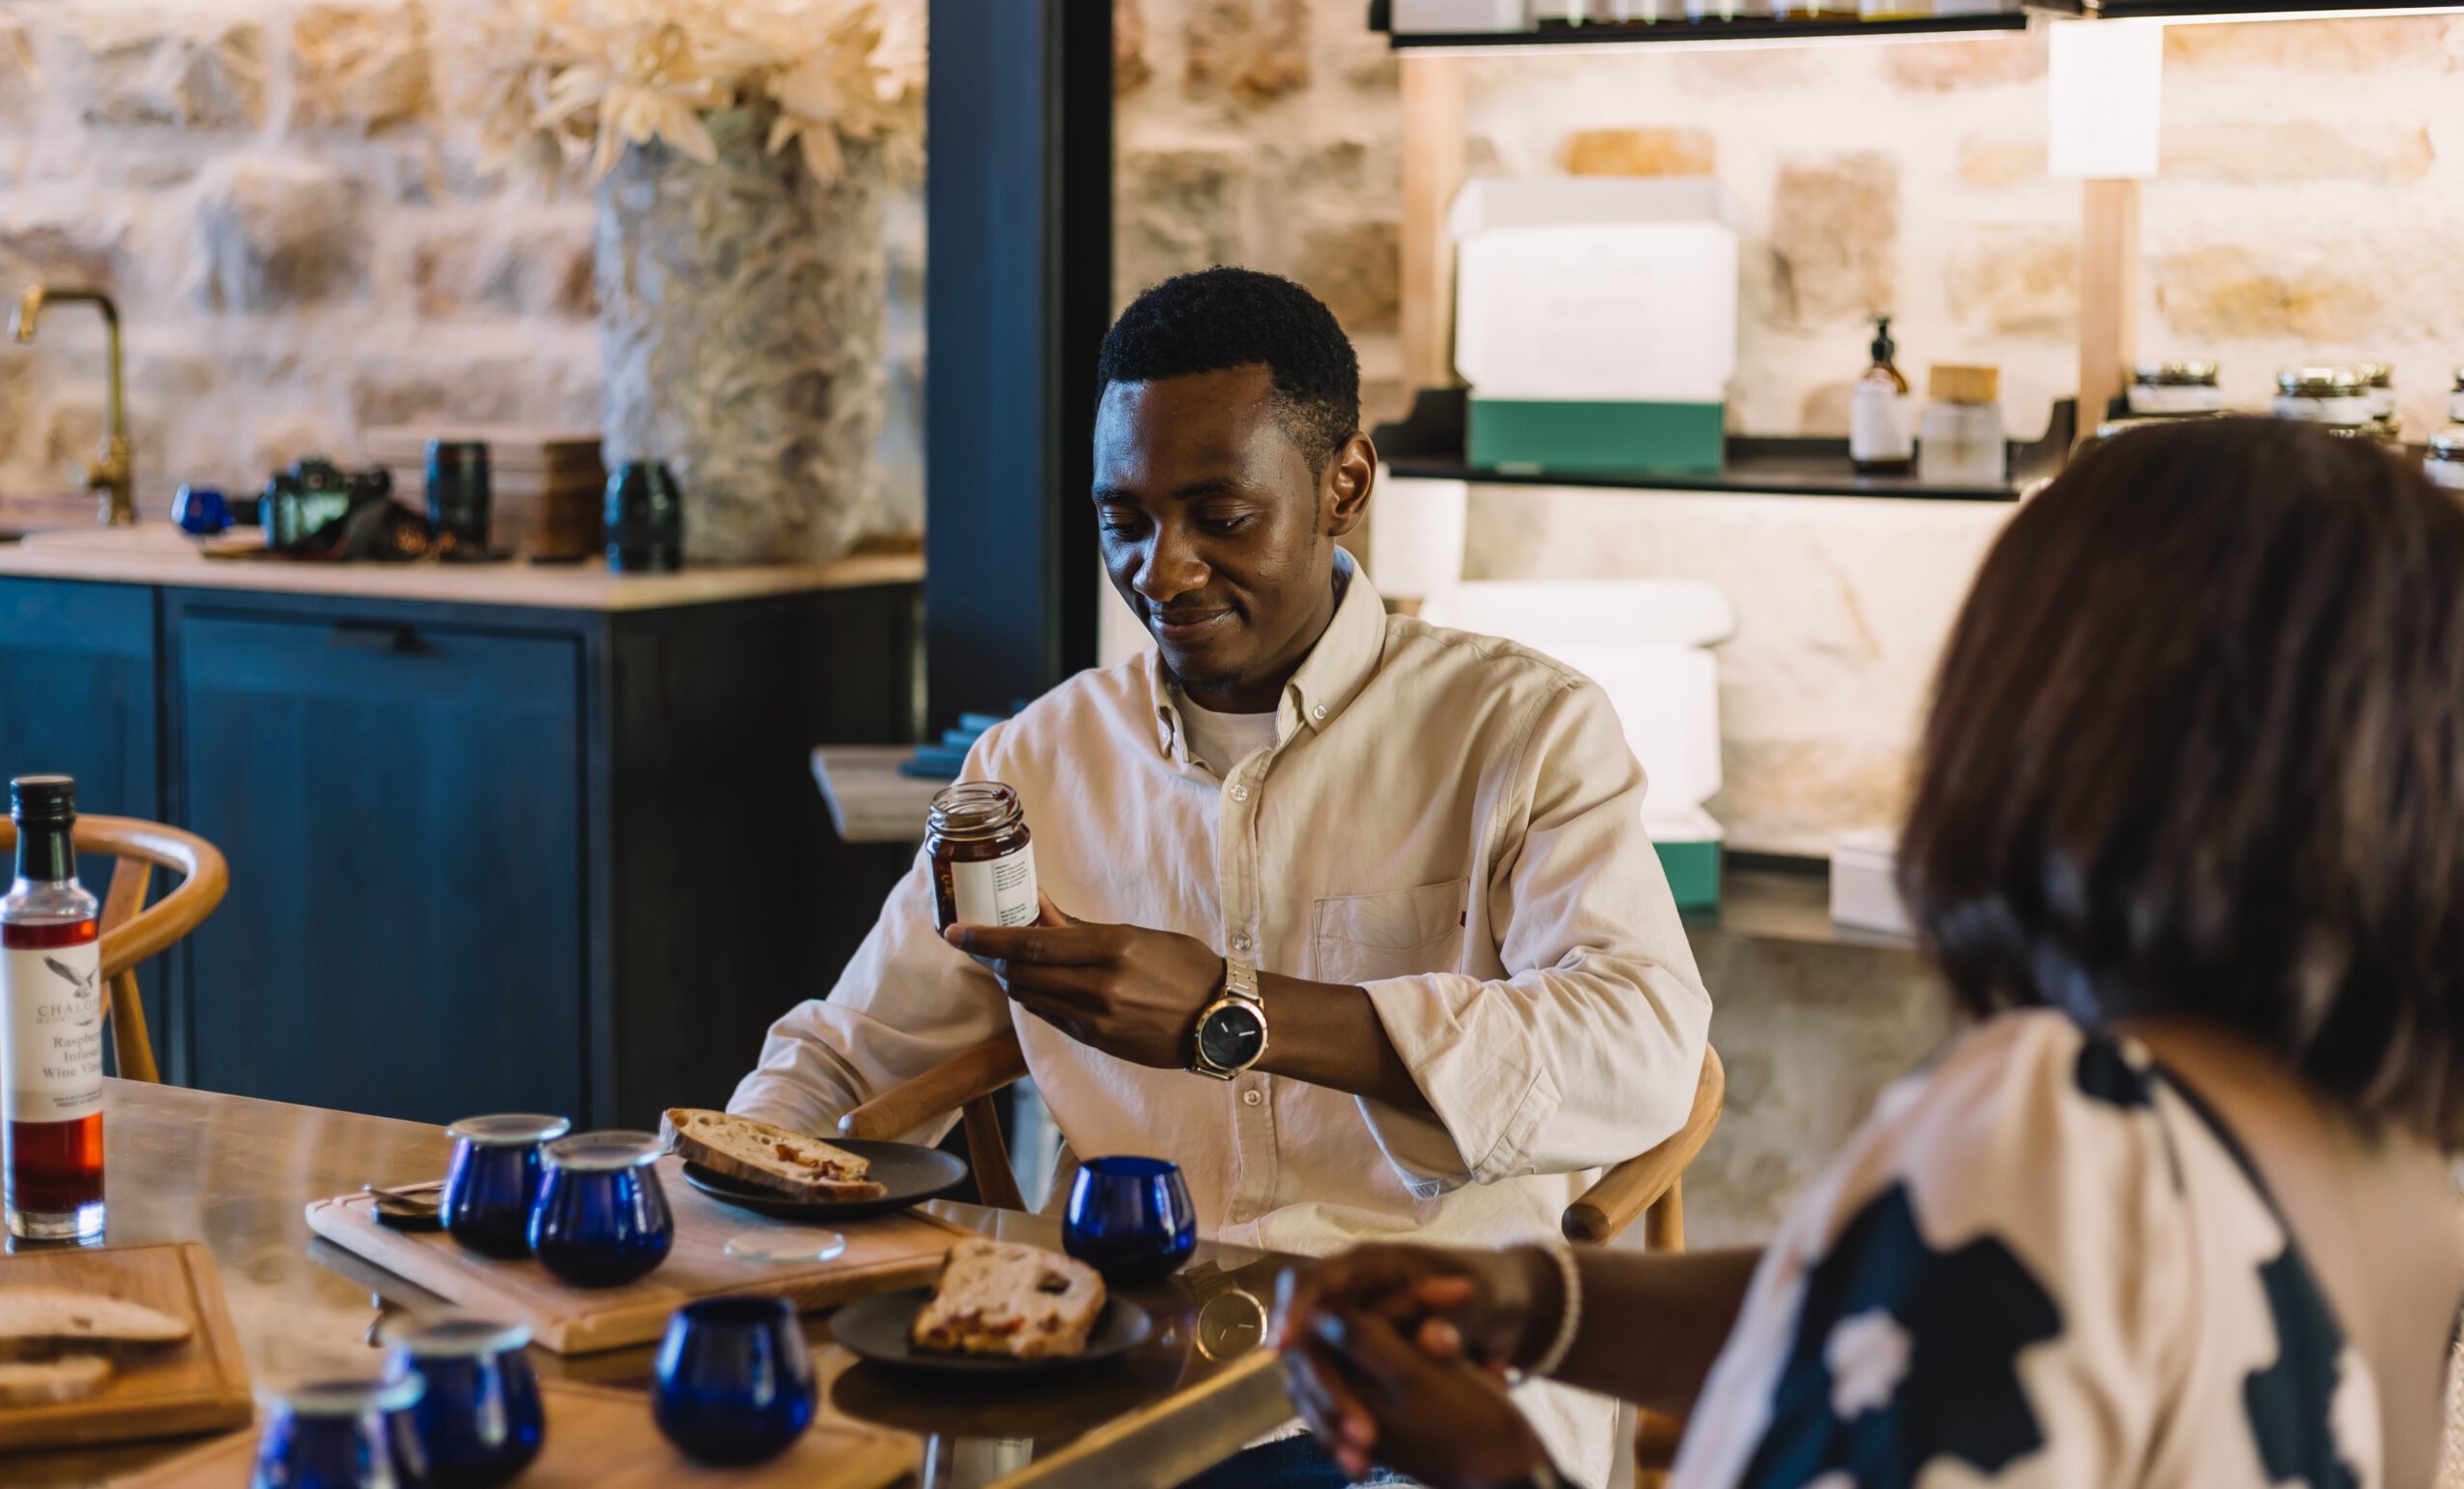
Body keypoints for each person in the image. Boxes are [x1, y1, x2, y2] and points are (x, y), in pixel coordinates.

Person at [1274, 416, 2464, 1489]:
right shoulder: (2396, 1176)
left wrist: (1493, 1469)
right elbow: (1929, 1310)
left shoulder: (2066, 1127)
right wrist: (1543, 1301)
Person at [731, 266, 1712, 1487]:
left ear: (1343, 485)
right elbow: (854, 1052)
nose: (1162, 571)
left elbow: (1645, 1047)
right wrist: (719, 1197)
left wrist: (1233, 1017)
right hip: (1115, 1378)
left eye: (1220, 516)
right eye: (1121, 519)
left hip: (1415, 1396)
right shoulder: (1033, 763)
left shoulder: (1519, 730)